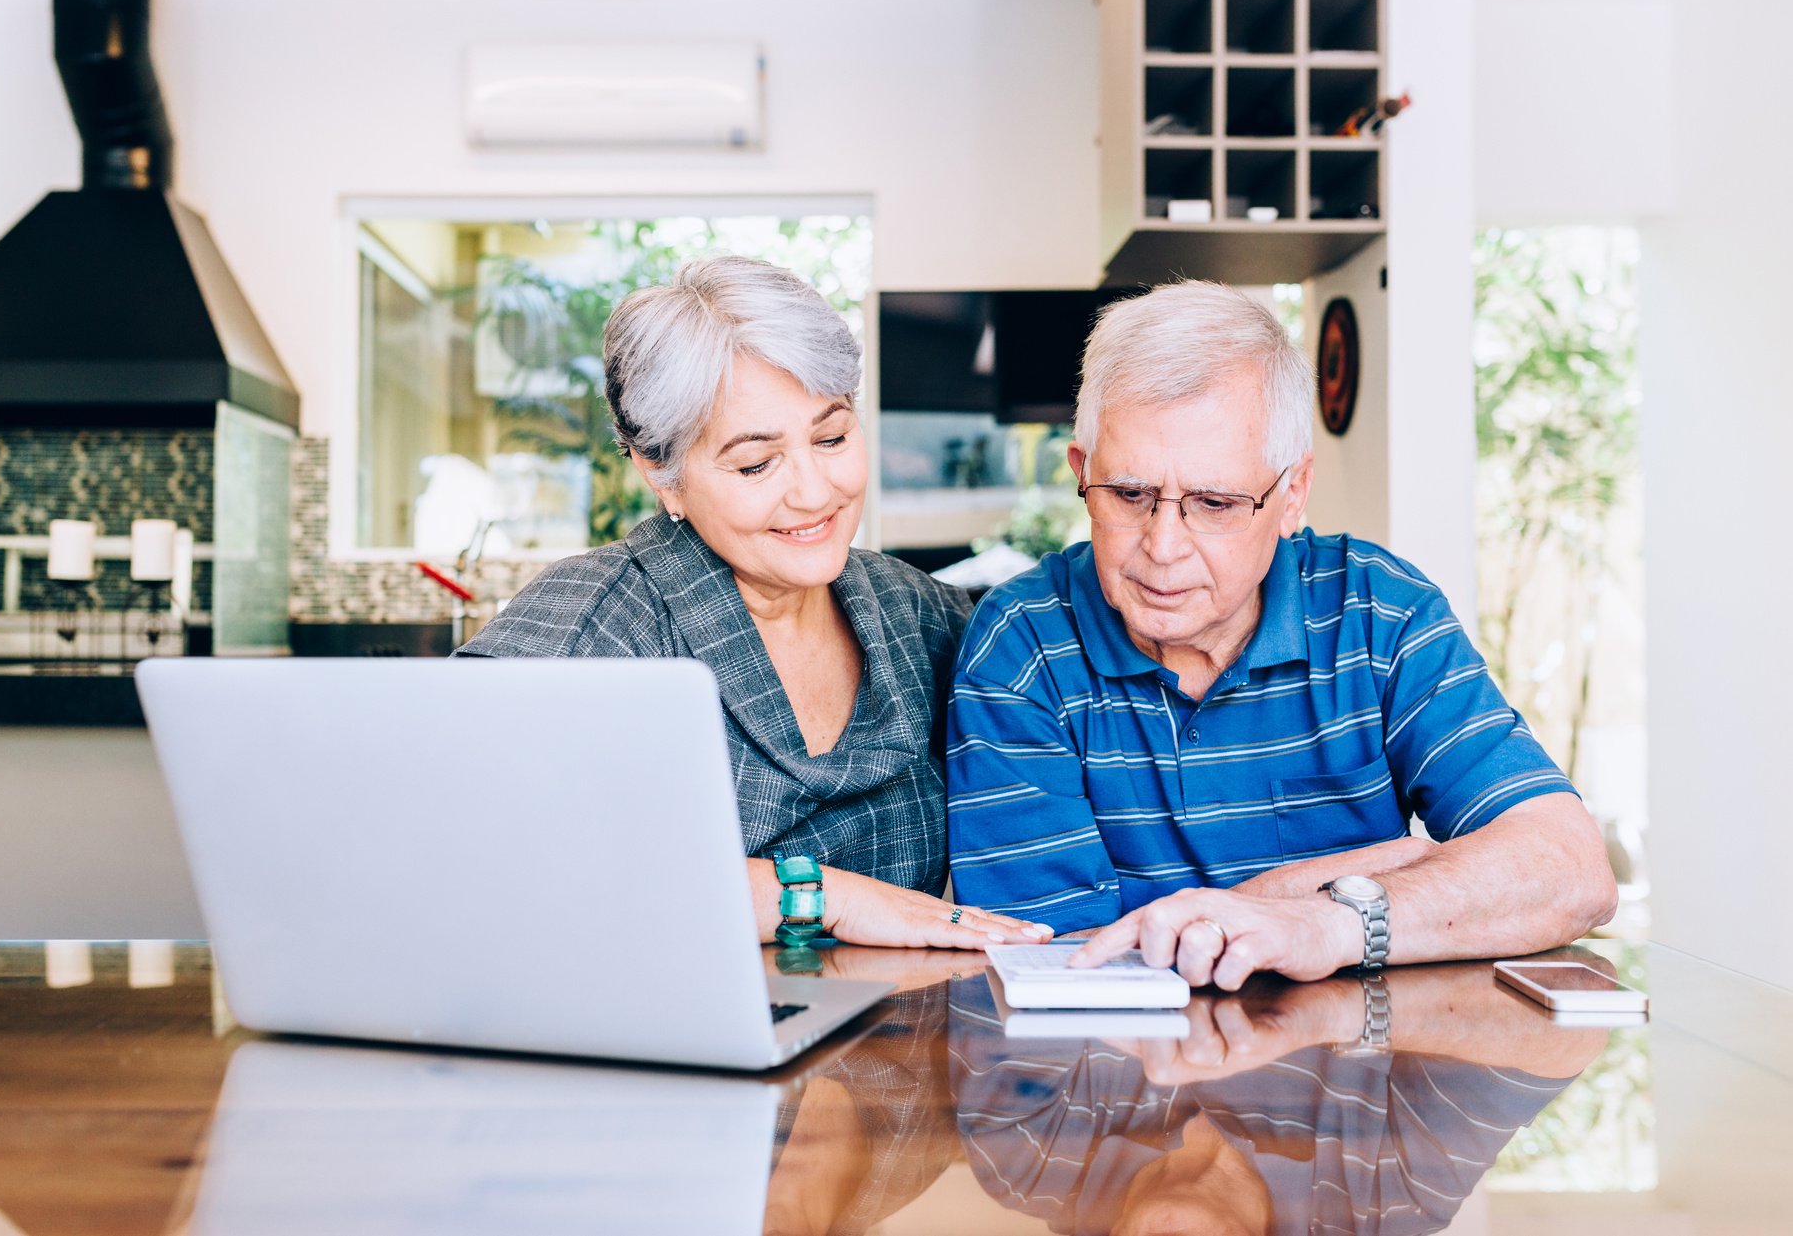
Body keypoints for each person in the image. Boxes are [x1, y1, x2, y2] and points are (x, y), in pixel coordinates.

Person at [946, 281, 1617, 984]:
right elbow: (1064, 963)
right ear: (1082, 472)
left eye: (1214, 502)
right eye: (1129, 494)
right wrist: (1381, 867)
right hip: (1127, 1088)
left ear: (1291, 494)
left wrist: (1327, 924)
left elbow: (1568, 868)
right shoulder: (1019, 647)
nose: (1163, 545)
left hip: (1357, 1076)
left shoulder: (1379, 612)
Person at [459, 255, 1049, 951]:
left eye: (831, 437)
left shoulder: (921, 616)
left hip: (894, 1041)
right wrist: (820, 896)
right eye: (755, 463)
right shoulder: (591, 628)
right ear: (661, 471)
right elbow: (463, 863)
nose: (813, 491)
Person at [947, 953, 1609, 1235]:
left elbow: (1003, 953)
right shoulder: (1383, 1202)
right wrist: (1324, 1014)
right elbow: (1578, 1010)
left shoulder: (1031, 1165)